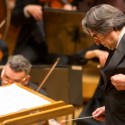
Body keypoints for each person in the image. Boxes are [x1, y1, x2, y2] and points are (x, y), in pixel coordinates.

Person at [81, 4, 125, 125]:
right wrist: (110, 109)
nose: (96, 42)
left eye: (96, 35)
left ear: (108, 26)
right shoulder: (116, 44)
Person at [11, 0, 75, 65]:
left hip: (57, 46)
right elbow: (14, 19)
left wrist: (69, 15)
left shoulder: (65, 3)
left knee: (63, 63)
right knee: (19, 63)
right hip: (31, 45)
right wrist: (27, 9)